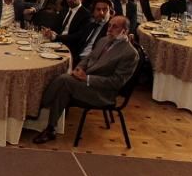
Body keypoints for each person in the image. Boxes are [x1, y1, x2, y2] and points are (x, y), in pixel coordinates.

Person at [32, 15, 138, 144]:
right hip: (85, 82)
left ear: (125, 31)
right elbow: (88, 58)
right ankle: (51, 128)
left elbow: (116, 82)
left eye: (115, 27)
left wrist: (87, 78)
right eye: (109, 25)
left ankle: (36, 109)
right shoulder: (104, 40)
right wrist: (79, 69)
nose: (109, 29)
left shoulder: (130, 54)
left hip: (102, 93)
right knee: (64, 86)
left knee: (64, 80)